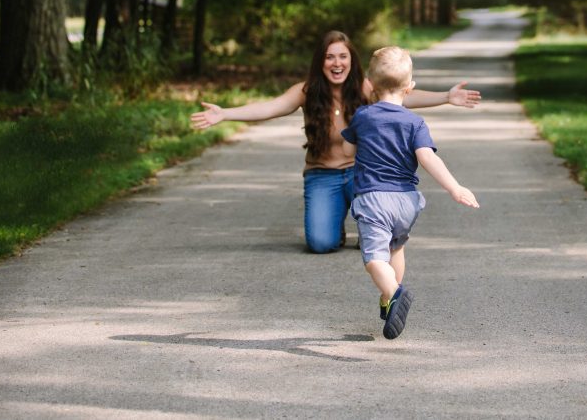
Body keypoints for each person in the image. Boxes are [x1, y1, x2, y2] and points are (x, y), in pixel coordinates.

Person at [189, 30, 480, 254]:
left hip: (362, 176)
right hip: (321, 176)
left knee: (382, 240)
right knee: (320, 243)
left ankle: (367, 223)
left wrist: (446, 97)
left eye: (343, 56)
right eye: (330, 57)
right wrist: (225, 114)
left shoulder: (367, 88)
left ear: (352, 60)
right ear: (321, 62)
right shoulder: (306, 91)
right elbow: (269, 108)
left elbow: (404, 95)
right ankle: (336, 224)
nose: (336, 63)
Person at [341, 46, 479, 340]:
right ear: (410, 87)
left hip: (373, 198)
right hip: (406, 201)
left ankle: (394, 291)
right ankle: (387, 300)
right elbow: (428, 158)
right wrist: (455, 187)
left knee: (374, 258)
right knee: (396, 249)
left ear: (369, 85)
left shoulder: (363, 116)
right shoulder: (415, 121)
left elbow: (346, 150)